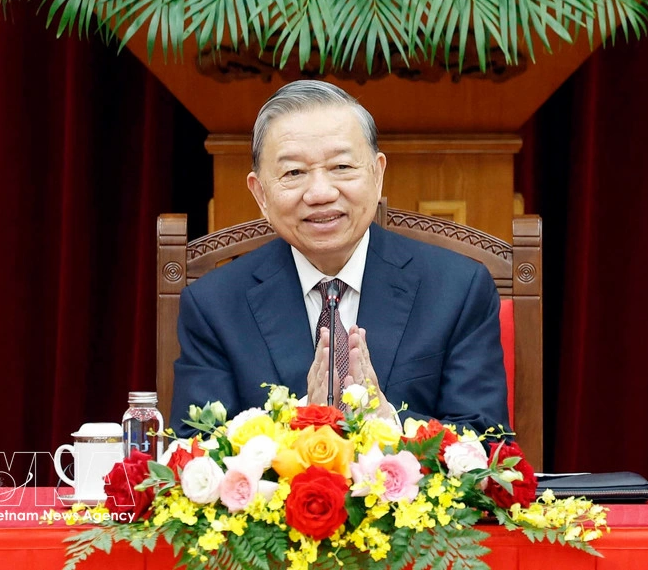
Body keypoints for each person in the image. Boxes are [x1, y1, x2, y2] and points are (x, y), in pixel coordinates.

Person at [170, 80, 510, 438]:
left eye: (342, 167)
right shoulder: (215, 305)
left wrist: (389, 427)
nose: (320, 193)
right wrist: (299, 423)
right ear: (261, 195)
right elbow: (195, 450)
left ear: (377, 174)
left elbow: (487, 441)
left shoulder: (457, 289)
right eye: (294, 173)